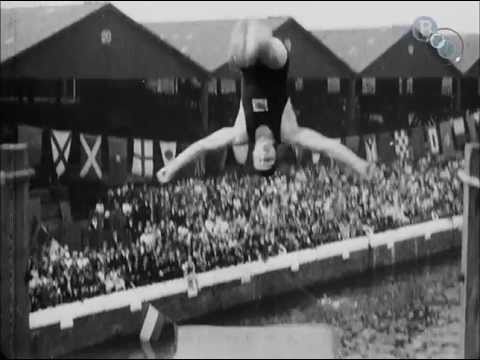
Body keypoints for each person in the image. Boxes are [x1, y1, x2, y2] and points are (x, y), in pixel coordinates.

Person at [157, 20, 375, 182]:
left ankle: (252, 29)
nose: (265, 156)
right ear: (274, 154)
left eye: (260, 159)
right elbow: (328, 146)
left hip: (249, 64)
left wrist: (173, 165)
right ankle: (261, 34)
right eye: (269, 160)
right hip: (275, 63)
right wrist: (359, 163)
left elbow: (202, 146)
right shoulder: (289, 133)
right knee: (262, 49)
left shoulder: (240, 133)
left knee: (242, 54)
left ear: (252, 154)